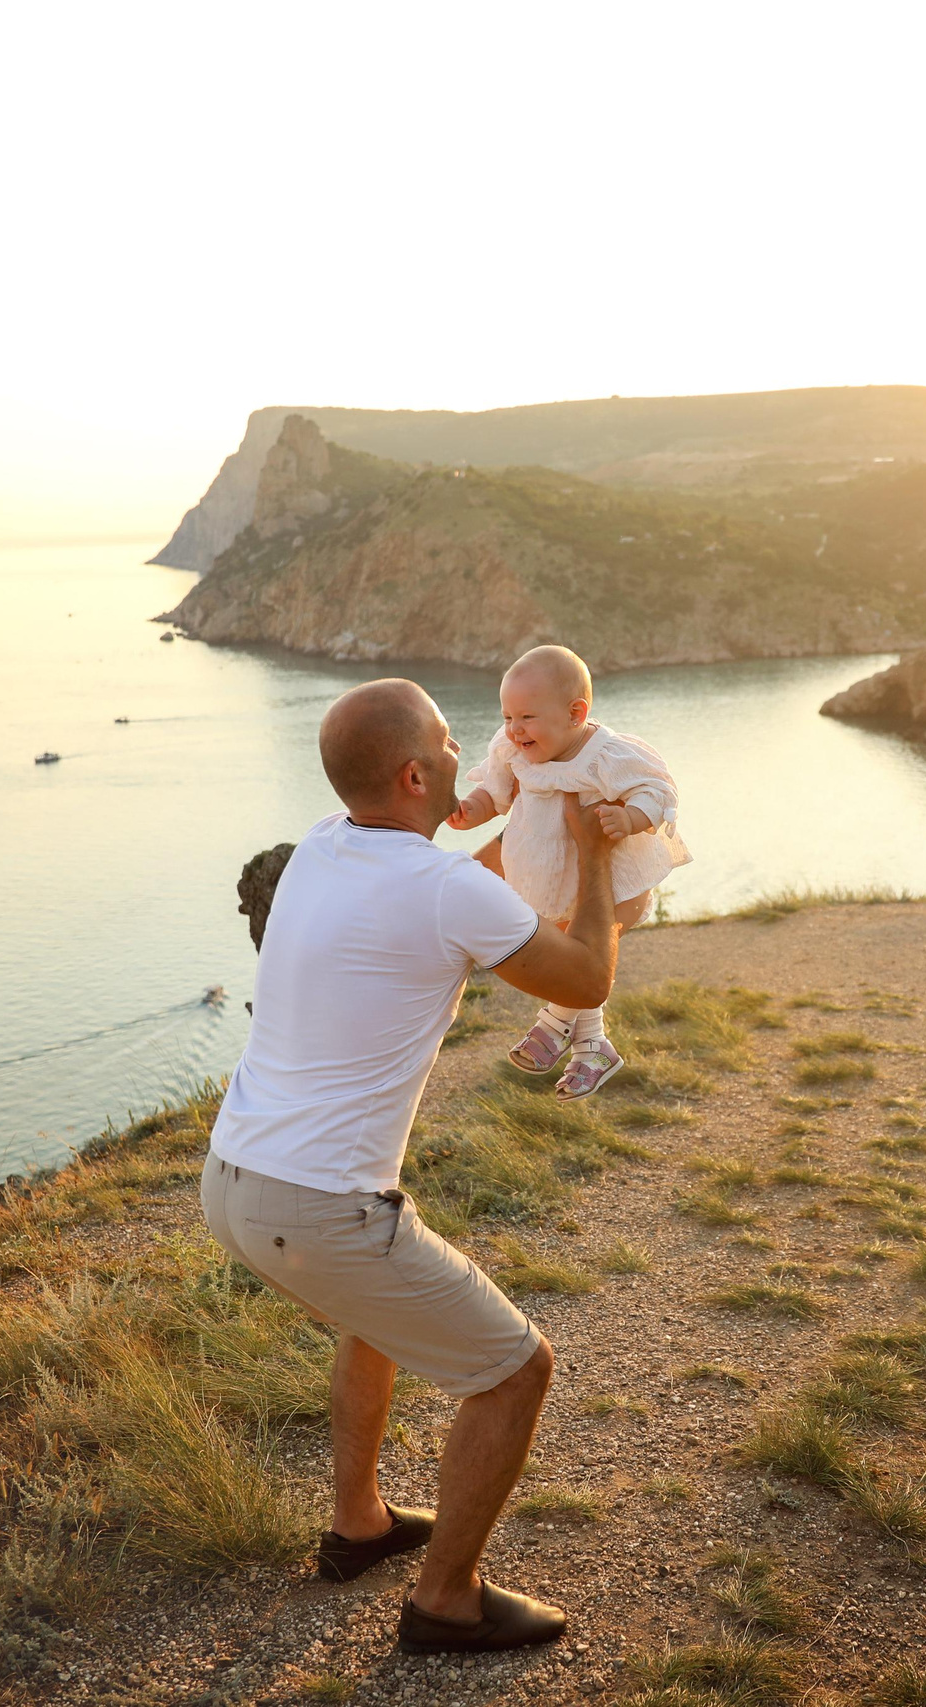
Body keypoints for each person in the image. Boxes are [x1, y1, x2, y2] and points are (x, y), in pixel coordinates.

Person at [200, 677, 620, 1653]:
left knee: (370, 1318)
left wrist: (533, 808)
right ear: (415, 771)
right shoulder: (441, 888)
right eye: (447, 736)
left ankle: (360, 1526)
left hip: (235, 1177)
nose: (463, 742)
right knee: (516, 1371)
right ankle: (445, 1600)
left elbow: (458, 885)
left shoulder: (321, 844)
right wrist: (595, 856)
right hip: (315, 1206)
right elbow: (585, 975)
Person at [447, 644, 689, 1100]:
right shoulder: (514, 751)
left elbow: (658, 790)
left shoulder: (606, 756)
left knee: (580, 956)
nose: (514, 730)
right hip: (546, 880)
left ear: (575, 713)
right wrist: (467, 812)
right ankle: (593, 1049)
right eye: (507, 717)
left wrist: (631, 818)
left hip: (614, 885)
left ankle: (552, 1024)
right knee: (572, 958)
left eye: (527, 718)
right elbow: (495, 796)